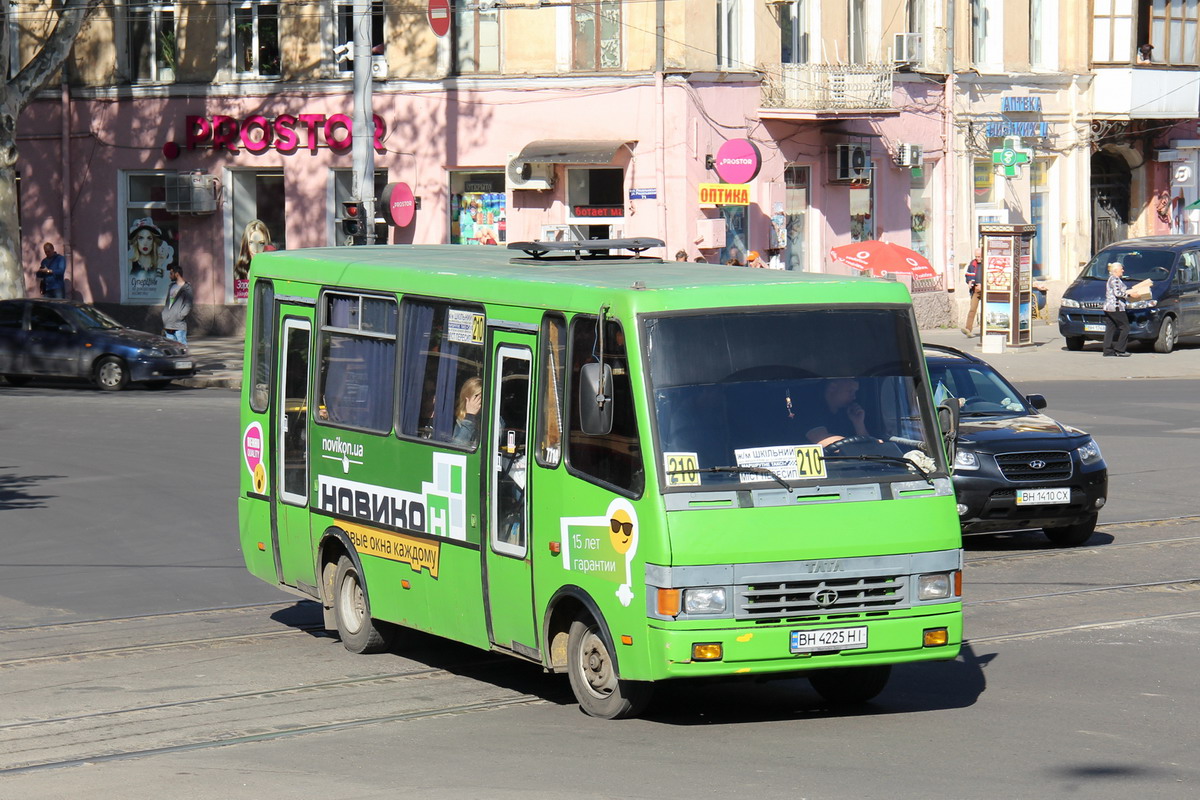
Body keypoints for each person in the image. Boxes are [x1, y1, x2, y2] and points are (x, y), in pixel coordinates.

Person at [806, 378, 871, 448]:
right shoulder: (811, 411)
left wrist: (858, 423)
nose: (854, 397)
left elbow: (868, 448)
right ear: (832, 388)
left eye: (855, 392)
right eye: (850, 391)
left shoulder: (847, 414)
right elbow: (821, 439)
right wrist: (859, 445)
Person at [1103, 261, 1131, 357]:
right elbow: (1118, 293)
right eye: (1121, 269)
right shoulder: (1115, 279)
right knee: (1125, 327)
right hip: (1116, 307)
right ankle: (1120, 349)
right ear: (1115, 270)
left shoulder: (1112, 279)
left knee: (1110, 328)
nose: (1123, 271)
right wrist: (1130, 295)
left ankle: (1107, 350)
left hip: (1109, 307)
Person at [161, 264, 194, 346]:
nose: (169, 276)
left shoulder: (187, 288)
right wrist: (164, 314)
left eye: (171, 273)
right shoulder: (171, 286)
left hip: (179, 324)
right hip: (168, 323)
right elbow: (168, 303)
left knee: (182, 346)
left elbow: (188, 304)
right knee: (171, 347)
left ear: (177, 274)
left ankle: (184, 359)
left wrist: (180, 316)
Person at [235, 220, 272, 285]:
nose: (256, 249)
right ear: (246, 244)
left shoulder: (272, 270)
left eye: (261, 243)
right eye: (251, 243)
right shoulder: (240, 271)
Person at [452, 377, 483, 445]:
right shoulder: (460, 419)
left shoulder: (494, 420)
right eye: (477, 398)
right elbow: (457, 446)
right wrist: (470, 417)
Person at [961, 249, 983, 336]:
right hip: (975, 290)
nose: (977, 258)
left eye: (979, 256)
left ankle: (986, 329)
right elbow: (968, 275)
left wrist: (983, 285)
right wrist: (969, 281)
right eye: (976, 256)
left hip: (985, 290)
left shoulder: (987, 264)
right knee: (972, 309)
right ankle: (968, 329)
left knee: (986, 311)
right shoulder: (972, 264)